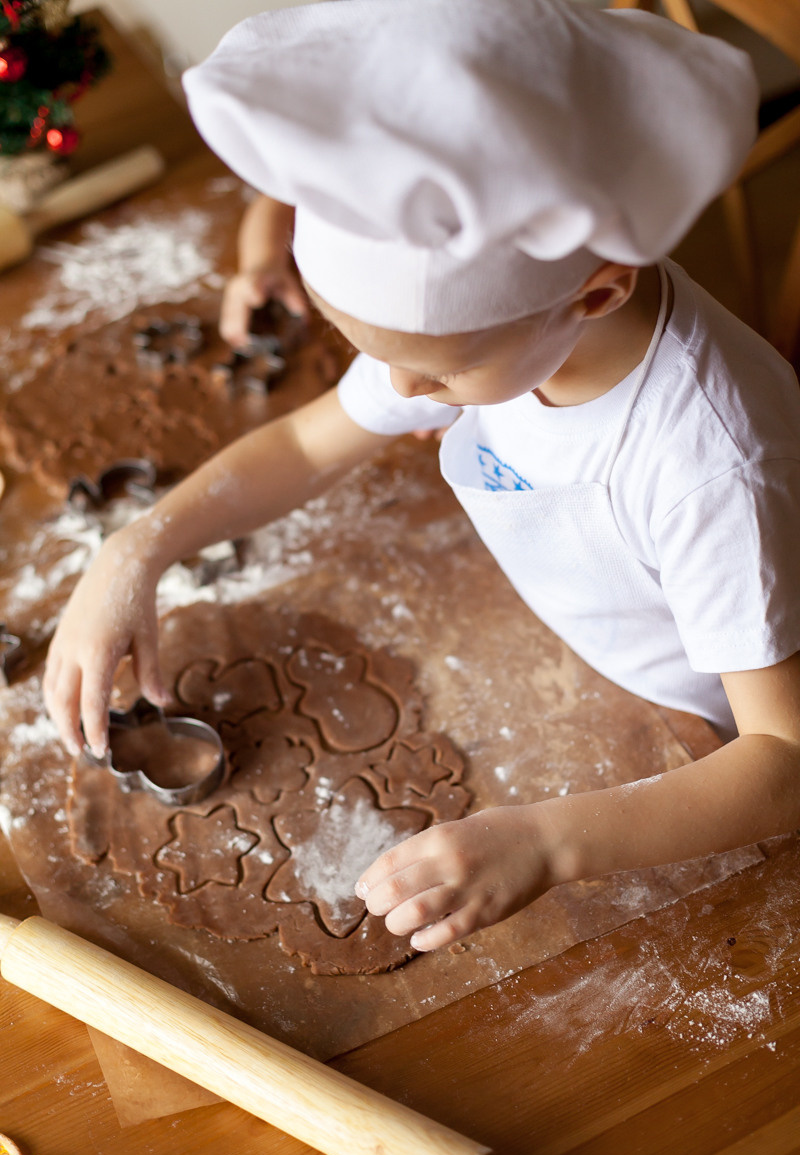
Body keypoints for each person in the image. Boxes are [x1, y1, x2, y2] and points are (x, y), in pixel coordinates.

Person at [44, 0, 800, 955]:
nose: (403, 392)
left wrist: (547, 844)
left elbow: (783, 762)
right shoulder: (512, 331)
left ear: (597, 292)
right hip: (592, 659)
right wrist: (134, 548)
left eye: (436, 377)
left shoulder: (709, 461)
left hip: (696, 748)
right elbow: (308, 444)